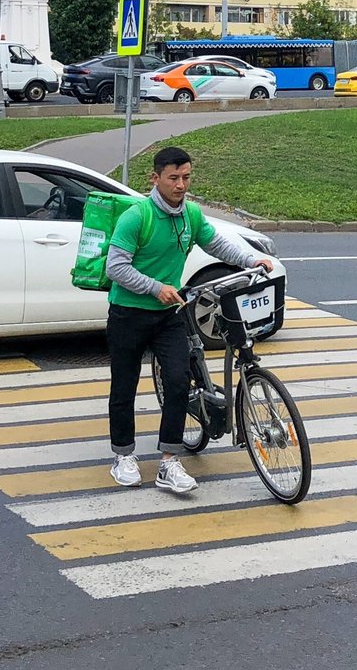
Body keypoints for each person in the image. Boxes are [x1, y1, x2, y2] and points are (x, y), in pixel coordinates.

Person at [105, 145, 275, 494]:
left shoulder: (191, 215)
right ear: (155, 178)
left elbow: (217, 245)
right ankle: (123, 456)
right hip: (128, 314)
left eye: (186, 177)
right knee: (124, 387)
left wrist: (250, 260)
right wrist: (155, 288)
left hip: (169, 315)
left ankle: (169, 460)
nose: (181, 185)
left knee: (180, 383)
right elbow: (115, 267)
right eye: (173, 178)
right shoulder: (137, 217)